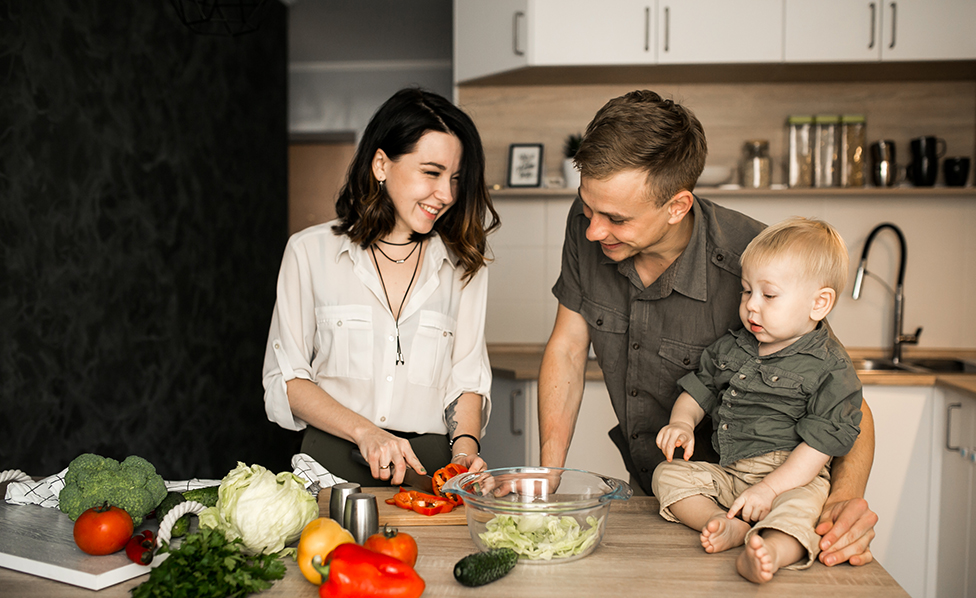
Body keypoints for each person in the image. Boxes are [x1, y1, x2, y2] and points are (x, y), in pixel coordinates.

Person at [538, 90, 878, 567]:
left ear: (677, 206)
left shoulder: (755, 261)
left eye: (615, 218)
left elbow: (845, 400)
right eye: (587, 208)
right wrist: (546, 477)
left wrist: (845, 497)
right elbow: (568, 350)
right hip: (674, 501)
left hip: (759, 503)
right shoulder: (590, 222)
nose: (593, 231)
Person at [262, 87, 499, 486]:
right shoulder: (309, 252)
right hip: (329, 461)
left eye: (455, 178)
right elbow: (286, 381)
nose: (447, 195)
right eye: (431, 172)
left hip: (430, 470)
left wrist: (465, 454)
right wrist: (366, 432)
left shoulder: (465, 264)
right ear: (381, 165)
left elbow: (467, 378)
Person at [653, 218, 863, 583]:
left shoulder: (832, 368)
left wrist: (770, 489)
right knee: (667, 475)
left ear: (819, 303)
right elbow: (697, 390)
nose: (751, 306)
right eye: (746, 292)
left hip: (794, 477)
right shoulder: (733, 346)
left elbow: (818, 448)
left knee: (800, 511)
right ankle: (723, 524)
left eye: (768, 295)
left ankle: (773, 552)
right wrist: (682, 423)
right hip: (732, 471)